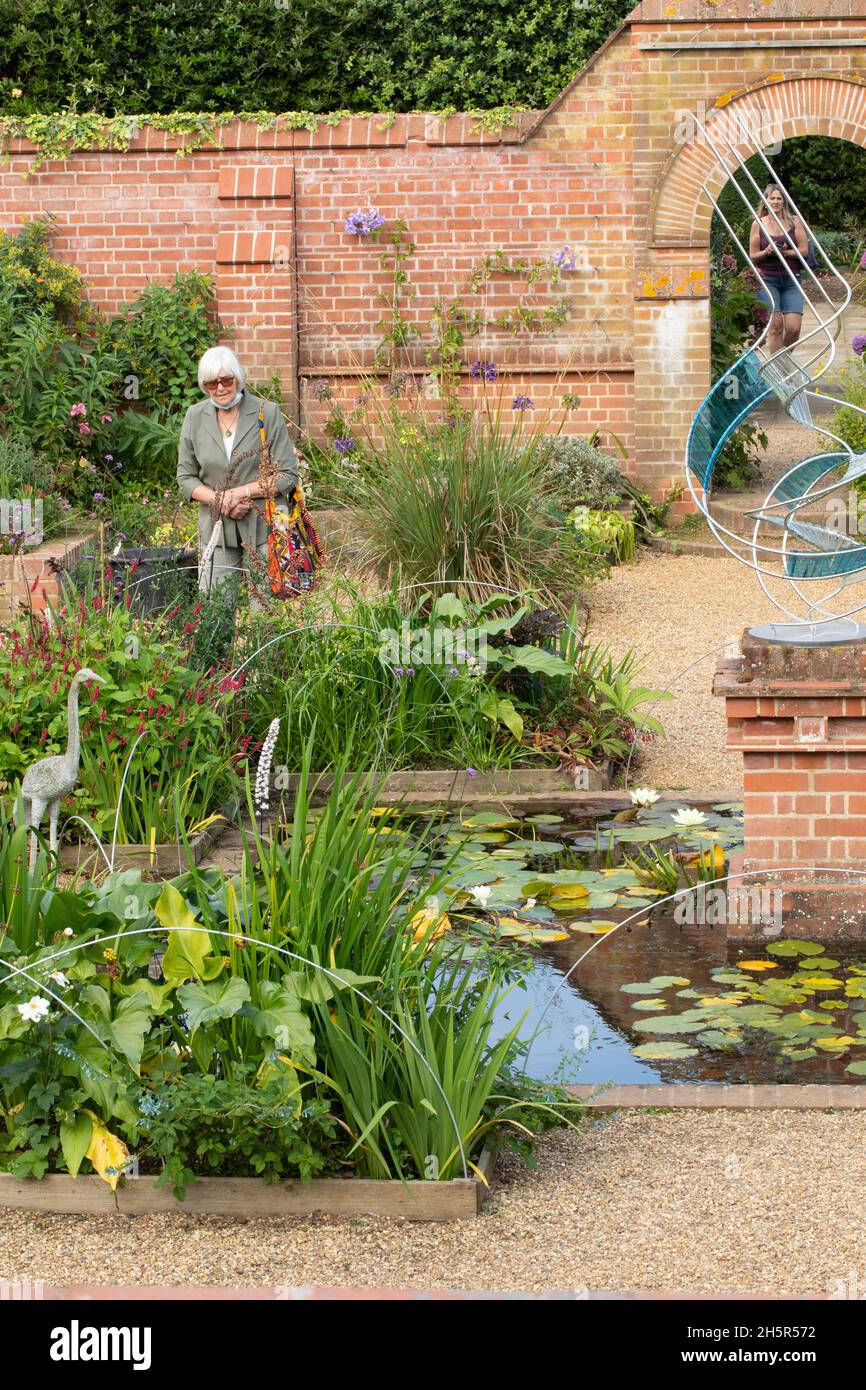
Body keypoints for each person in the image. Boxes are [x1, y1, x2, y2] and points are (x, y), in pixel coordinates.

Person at [177, 346, 299, 592]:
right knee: (215, 611)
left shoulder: (267, 412)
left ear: (238, 378)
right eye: (212, 383)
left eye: (226, 379)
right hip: (216, 529)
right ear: (204, 385)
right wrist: (219, 500)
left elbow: (288, 475)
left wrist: (239, 493)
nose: (220, 388)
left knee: (266, 614)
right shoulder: (195, 416)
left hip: (266, 526)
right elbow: (185, 477)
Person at [749, 184, 809, 356]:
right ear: (766, 201)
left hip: (791, 279)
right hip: (767, 280)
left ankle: (784, 361)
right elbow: (753, 255)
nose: (775, 201)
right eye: (772, 198)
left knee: (793, 328)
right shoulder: (758, 223)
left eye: (779, 198)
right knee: (775, 326)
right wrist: (767, 252)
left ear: (784, 201)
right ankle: (777, 371)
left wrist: (785, 252)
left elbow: (804, 249)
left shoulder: (793, 221)